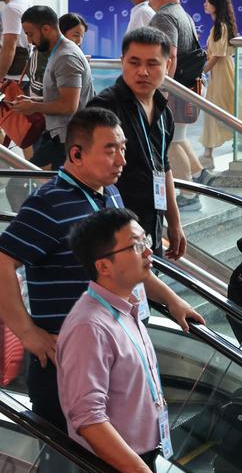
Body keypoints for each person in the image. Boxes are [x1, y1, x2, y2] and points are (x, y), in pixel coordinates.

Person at [0, 108, 202, 432]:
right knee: (73, 470)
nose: (121, 160)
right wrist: (27, 333)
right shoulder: (48, 203)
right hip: (68, 361)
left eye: (122, 148)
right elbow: (3, 261)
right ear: (77, 154)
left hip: (117, 350)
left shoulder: (110, 194)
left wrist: (172, 300)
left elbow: (131, 265)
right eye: (110, 150)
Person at [57, 208, 169, 473]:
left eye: (145, 241)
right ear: (103, 266)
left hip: (139, 464)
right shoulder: (90, 326)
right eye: (135, 246)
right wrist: (138, 472)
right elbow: (88, 418)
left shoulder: (124, 308)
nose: (148, 250)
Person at [87, 26, 184, 260]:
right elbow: (87, 175)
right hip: (114, 233)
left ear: (168, 65)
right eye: (134, 62)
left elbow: (163, 166)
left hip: (150, 225)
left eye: (152, 64)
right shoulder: (104, 109)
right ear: (122, 62)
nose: (142, 72)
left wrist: (174, 221)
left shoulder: (164, 112)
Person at [148, 0, 210, 209]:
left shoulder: (164, 16)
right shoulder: (181, 13)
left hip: (174, 89)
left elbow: (170, 55)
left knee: (170, 142)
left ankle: (189, 195)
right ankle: (199, 174)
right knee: (179, 137)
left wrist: (163, 88)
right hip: (186, 86)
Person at [11, 5, 93, 170]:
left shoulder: (66, 57)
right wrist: (33, 99)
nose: (29, 41)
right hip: (60, 135)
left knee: (22, 185)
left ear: (46, 29)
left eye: (30, 34)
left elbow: (69, 105)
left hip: (68, 140)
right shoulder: (57, 52)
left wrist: (34, 106)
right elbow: (61, 97)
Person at [200, 0, 240, 167]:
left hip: (221, 73)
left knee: (217, 110)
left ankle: (208, 154)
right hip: (222, 72)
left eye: (208, 1)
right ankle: (208, 153)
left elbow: (217, 55)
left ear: (216, 4)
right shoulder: (222, 25)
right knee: (221, 109)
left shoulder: (220, 27)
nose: (205, 4)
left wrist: (204, 70)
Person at [0, 0, 30, 80]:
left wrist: (0, 78)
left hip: (13, 74)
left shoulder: (11, 9)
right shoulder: (23, 3)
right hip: (22, 70)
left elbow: (9, 46)